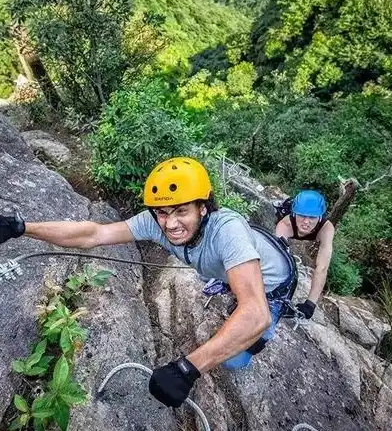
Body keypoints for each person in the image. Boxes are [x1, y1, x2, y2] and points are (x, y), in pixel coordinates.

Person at [0, 157, 299, 409]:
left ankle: (253, 335)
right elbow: (92, 235)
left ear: (203, 207)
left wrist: (187, 368)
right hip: (229, 270)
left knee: (236, 358)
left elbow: (256, 313)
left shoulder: (227, 231)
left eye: (181, 211)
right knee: (221, 286)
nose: (170, 224)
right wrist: (22, 228)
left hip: (274, 284)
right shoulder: (154, 222)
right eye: (163, 212)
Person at [275, 190, 334, 320]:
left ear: (319, 217)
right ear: (294, 214)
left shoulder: (326, 228)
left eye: (312, 217)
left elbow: (322, 267)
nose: (306, 222)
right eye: (302, 216)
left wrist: (310, 303)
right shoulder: (285, 224)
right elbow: (277, 261)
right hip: (288, 226)